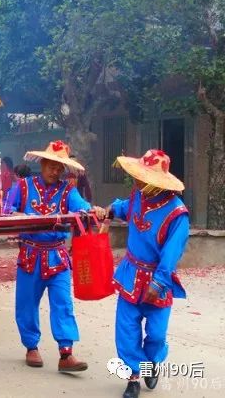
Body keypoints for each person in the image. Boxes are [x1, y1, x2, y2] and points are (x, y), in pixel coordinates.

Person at [5, 140, 106, 372]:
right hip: (30, 254)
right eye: (51, 165)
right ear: (42, 163)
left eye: (59, 167)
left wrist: (94, 210)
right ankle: (31, 347)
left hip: (57, 257)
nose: (55, 171)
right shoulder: (22, 187)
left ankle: (66, 353)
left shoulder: (68, 191)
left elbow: (82, 207)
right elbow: (5, 209)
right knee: (26, 304)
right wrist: (20, 216)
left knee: (63, 303)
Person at [108, 150, 189, 398]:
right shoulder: (137, 196)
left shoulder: (177, 213)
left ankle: (151, 363)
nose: (136, 179)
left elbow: (171, 253)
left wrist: (160, 282)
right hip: (130, 275)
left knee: (156, 334)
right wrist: (109, 209)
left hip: (157, 279)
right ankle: (133, 377)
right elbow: (123, 208)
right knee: (126, 328)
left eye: (142, 176)